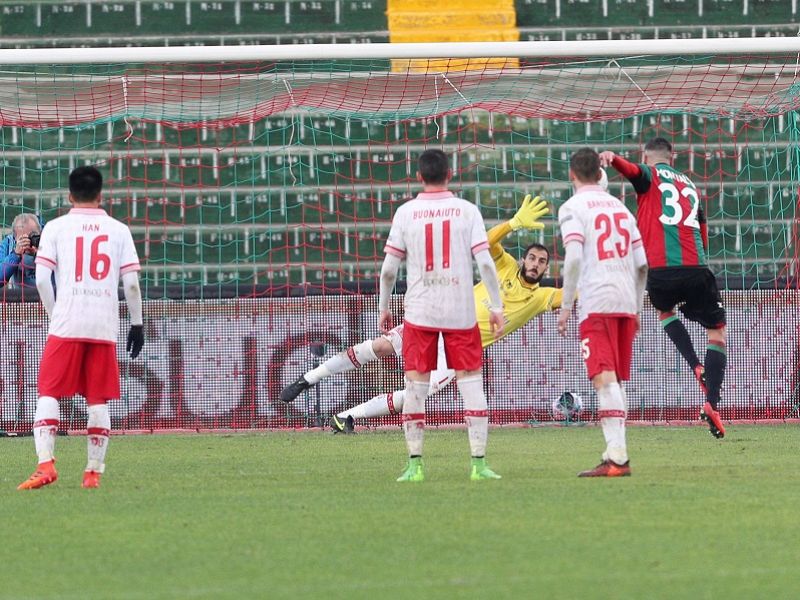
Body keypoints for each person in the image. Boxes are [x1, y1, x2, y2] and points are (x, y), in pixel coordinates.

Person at [280, 198, 559, 434]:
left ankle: (347, 417)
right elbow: (484, 242)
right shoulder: (505, 266)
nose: (535, 264)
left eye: (542, 261)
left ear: (546, 268)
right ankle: (308, 379)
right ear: (524, 259)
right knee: (381, 346)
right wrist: (513, 223)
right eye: (532, 258)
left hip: (457, 350)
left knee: (416, 394)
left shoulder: (542, 297)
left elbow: (576, 293)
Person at [377, 148, 505, 482]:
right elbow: (486, 262)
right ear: (450, 174)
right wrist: (496, 306)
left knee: (415, 388)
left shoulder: (406, 213)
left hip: (420, 312)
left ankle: (415, 465)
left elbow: (389, 270)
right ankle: (478, 465)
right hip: (460, 312)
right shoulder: (467, 210)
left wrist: (383, 307)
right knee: (471, 384)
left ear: (419, 177)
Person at [18, 166, 145, 490]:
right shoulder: (119, 230)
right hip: (103, 325)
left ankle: (45, 465)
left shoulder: (57, 228)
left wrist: (54, 314)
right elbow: (131, 284)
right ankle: (92, 472)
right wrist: (137, 324)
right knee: (97, 398)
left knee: (48, 391)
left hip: (67, 322)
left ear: (70, 195)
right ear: (100, 194)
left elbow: (43, 278)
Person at [599, 138, 727, 438]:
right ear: (674, 156)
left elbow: (632, 172)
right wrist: (701, 270)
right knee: (717, 332)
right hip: (697, 267)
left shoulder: (650, 175)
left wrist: (613, 157)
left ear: (647, 156)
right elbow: (703, 231)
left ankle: (695, 365)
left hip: (659, 271)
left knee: (664, 309)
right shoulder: (692, 187)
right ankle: (712, 402)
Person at [557, 148, 648, 477]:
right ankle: (616, 455)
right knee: (614, 381)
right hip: (625, 300)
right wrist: (636, 307)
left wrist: (566, 306)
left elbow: (575, 258)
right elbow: (642, 265)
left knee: (602, 377)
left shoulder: (572, 207)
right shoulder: (622, 209)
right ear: (600, 173)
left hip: (596, 300)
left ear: (572, 174)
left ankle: (618, 458)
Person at [0, 213, 43, 288]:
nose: (29, 242)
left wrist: (40, 254)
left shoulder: (48, 239)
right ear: (15, 238)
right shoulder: (9, 243)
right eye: (23, 239)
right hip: (19, 296)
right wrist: (16, 255)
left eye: (33, 236)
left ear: (40, 232)